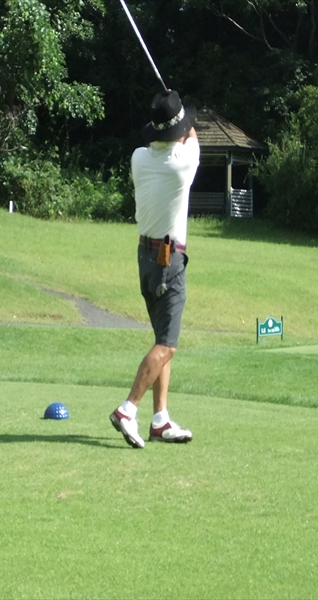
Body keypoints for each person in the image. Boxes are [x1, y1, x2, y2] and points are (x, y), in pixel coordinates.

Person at [110, 90, 200, 449]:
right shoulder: (182, 164)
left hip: (146, 258)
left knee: (163, 337)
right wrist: (182, 115)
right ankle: (127, 410)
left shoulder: (139, 158)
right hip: (168, 259)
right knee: (167, 345)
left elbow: (179, 132)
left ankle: (160, 419)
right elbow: (191, 134)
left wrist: (175, 115)